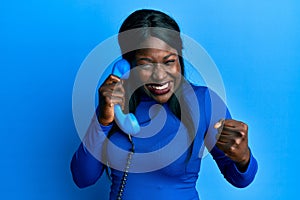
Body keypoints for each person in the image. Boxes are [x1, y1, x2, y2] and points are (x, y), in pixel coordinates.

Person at [71, 9, 258, 200]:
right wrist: (103, 120)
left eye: (169, 62)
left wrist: (243, 157)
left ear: (179, 59)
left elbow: (240, 180)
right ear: (127, 65)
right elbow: (83, 178)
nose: (160, 76)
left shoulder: (204, 102)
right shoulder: (114, 104)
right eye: (146, 64)